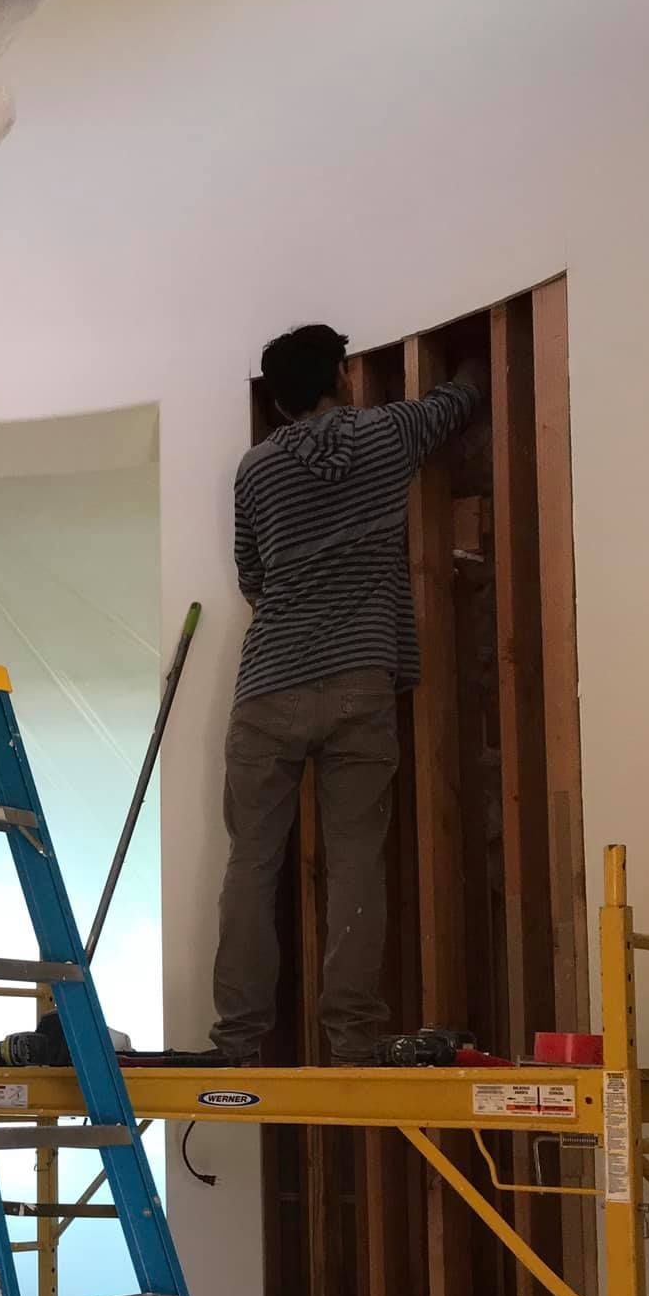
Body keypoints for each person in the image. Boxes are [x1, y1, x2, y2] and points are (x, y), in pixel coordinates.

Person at [207, 323, 486, 1065]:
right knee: (356, 860)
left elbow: (253, 576)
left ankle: (238, 1040)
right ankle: (353, 1038)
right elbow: (457, 401)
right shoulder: (387, 434)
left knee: (252, 863)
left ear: (277, 400)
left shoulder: (255, 469)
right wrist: (469, 360)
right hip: (360, 681)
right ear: (341, 376)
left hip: (268, 686)